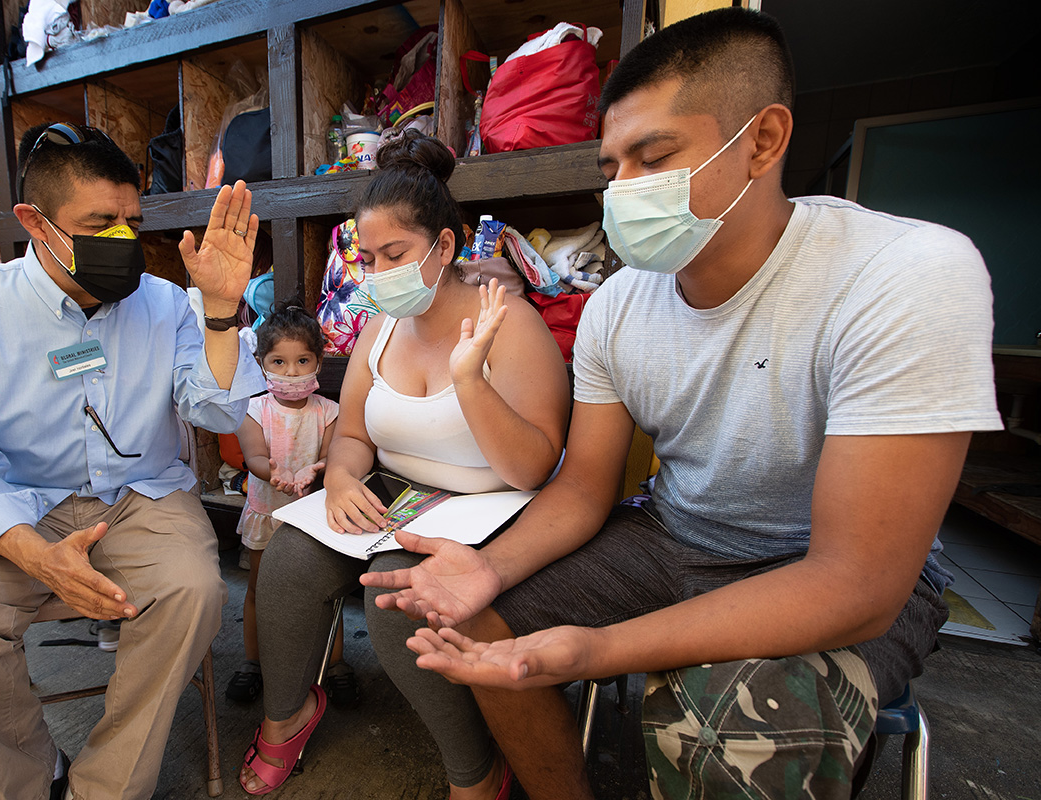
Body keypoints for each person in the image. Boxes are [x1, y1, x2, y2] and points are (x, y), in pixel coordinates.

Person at [362, 9, 1003, 799]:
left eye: (654, 158)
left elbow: (857, 581)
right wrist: (486, 572)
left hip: (819, 566)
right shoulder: (618, 307)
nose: (625, 191)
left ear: (763, 141)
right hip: (674, 536)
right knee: (454, 612)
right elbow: (585, 487)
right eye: (611, 168)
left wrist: (596, 651)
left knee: (735, 729)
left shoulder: (907, 276)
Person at [0, 122, 267, 800]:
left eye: (131, 221)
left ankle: (106, 788)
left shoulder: (165, 305)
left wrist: (219, 311)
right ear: (36, 222)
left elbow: (217, 413)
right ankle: (36, 783)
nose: (122, 240)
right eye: (100, 223)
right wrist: (39, 557)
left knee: (191, 591)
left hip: (141, 499)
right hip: (19, 508)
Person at [239, 129, 571, 797]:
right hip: (398, 494)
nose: (378, 272)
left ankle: (475, 770)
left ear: (444, 246)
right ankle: (288, 717)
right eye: (368, 257)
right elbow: (356, 433)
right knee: (288, 561)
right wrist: (337, 476)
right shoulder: (378, 327)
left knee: (396, 592)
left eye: (396, 253)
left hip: (489, 505)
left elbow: (535, 467)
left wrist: (470, 381)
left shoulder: (509, 325)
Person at [226, 302, 343, 704]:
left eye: (301, 360)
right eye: (278, 361)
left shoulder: (329, 412)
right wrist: (270, 472)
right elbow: (254, 456)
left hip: (312, 517)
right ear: (261, 363)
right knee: (259, 589)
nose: (291, 372)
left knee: (328, 590)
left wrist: (317, 470)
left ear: (318, 361)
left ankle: (337, 664)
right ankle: (254, 663)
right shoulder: (254, 410)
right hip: (268, 513)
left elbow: (332, 456)